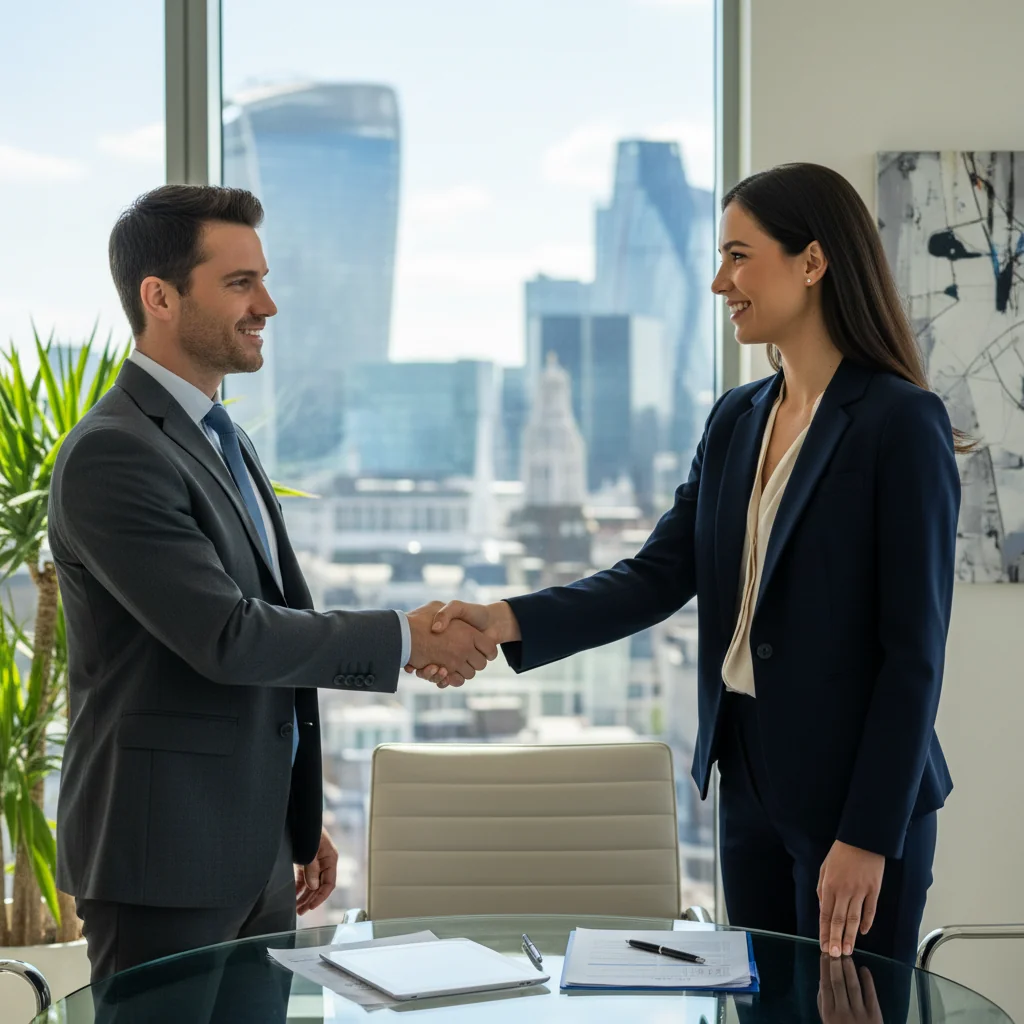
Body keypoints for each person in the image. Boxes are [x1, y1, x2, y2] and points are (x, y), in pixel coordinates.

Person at [414, 162, 962, 967]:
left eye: (739, 256)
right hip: (745, 781)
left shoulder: (899, 423)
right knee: (765, 1010)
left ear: (812, 262)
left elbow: (914, 653)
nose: (719, 282)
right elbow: (656, 575)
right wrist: (505, 621)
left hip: (857, 798)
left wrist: (866, 835)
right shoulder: (738, 417)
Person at [48, 184, 496, 982]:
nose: (269, 304)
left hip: (250, 854)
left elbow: (270, 626)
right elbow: (229, 635)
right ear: (159, 297)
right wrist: (405, 636)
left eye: (263, 278)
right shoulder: (113, 453)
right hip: (163, 858)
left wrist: (290, 816)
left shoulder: (222, 437)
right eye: (239, 283)